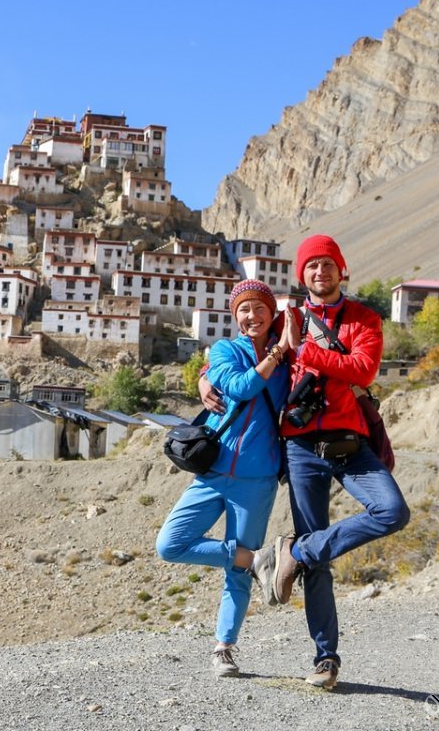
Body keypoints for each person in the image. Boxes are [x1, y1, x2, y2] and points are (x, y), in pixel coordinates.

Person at [201, 235, 410, 690]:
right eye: (312, 266)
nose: (320, 272)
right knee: (320, 562)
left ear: (341, 270)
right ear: (302, 275)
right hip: (299, 449)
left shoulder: (364, 318)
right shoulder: (285, 319)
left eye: (328, 265)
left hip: (349, 444)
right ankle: (325, 659)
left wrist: (304, 350)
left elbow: (362, 370)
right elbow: (246, 344)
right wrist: (204, 376)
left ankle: (292, 552)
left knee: (392, 512)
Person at [155, 280, 291, 678]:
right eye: (244, 310)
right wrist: (205, 374)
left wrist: (285, 347)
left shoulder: (290, 358)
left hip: (258, 478)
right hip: (212, 472)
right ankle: (259, 559)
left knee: (235, 574)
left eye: (259, 308)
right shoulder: (226, 350)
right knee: (170, 544)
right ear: (235, 316)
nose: (252, 316)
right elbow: (240, 386)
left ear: (272, 312)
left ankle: (224, 649)